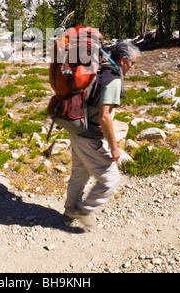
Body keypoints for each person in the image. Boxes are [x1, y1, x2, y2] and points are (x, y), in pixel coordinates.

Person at [64, 42, 140, 230]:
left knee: (79, 176)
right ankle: (81, 211)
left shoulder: (100, 70)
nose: (133, 67)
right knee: (110, 180)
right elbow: (104, 116)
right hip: (90, 136)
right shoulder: (113, 79)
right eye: (132, 63)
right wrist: (114, 147)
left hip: (76, 128)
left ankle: (68, 213)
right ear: (123, 60)